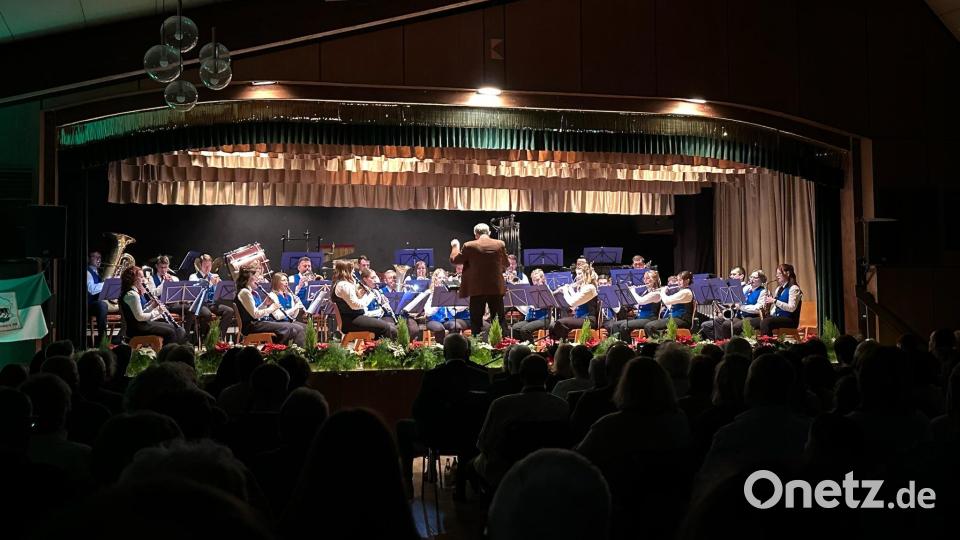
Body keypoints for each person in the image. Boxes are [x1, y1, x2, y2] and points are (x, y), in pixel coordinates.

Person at [473, 355, 569, 487]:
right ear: (547, 376)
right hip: (549, 469)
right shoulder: (561, 406)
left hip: (507, 473)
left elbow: (484, 444)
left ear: (521, 376)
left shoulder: (502, 405)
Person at [450, 223, 510, 336]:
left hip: (477, 289)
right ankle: (503, 347)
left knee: (476, 321)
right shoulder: (499, 244)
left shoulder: (469, 245)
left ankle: (477, 347)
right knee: (499, 320)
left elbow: (455, 260)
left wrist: (455, 246)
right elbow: (506, 264)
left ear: (476, 234)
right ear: (489, 233)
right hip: (495, 288)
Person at [234, 268, 305, 346]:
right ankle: (281, 350)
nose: (257, 279)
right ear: (248, 278)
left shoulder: (253, 292)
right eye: (255, 276)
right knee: (289, 327)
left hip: (258, 322)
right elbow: (255, 314)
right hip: (252, 325)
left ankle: (292, 351)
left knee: (294, 327)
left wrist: (264, 304)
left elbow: (256, 310)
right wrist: (271, 309)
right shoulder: (244, 292)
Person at [119, 266, 187, 345]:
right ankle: (167, 354)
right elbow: (140, 317)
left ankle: (176, 350)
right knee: (170, 332)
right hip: (137, 328)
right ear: (133, 279)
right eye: (141, 277)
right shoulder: (132, 295)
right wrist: (157, 312)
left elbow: (140, 313)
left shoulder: (134, 292)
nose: (144, 279)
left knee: (172, 327)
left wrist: (152, 306)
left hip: (142, 324)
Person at [331, 260, 395, 339]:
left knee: (388, 326)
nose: (353, 273)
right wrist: (369, 296)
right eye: (352, 270)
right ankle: (384, 350)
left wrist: (360, 294)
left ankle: (376, 348)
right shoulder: (343, 285)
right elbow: (355, 306)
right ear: (346, 271)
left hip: (353, 318)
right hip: (351, 321)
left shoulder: (341, 283)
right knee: (385, 327)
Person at [701, 269, 768, 340]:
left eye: (755, 278)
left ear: (761, 279)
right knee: (726, 324)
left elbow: (758, 308)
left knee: (736, 327)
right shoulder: (746, 288)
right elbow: (736, 300)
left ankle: (736, 345)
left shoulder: (763, 291)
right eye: (751, 277)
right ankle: (724, 344)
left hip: (753, 317)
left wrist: (741, 307)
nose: (752, 279)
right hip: (740, 316)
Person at [359, 268, 419, 339]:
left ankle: (408, 346)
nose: (394, 280)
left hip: (401, 315)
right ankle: (396, 346)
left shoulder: (402, 290)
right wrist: (382, 308)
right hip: (385, 316)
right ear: (385, 280)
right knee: (393, 329)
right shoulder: (379, 291)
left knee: (413, 329)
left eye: (395, 278)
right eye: (391, 278)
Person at [187, 254, 235, 337]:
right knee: (207, 314)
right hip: (200, 304)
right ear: (200, 265)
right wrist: (210, 283)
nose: (207, 268)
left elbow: (221, 294)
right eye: (205, 266)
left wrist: (219, 285)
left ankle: (218, 337)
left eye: (209, 266)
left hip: (211, 304)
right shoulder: (193, 277)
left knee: (229, 311)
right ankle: (202, 336)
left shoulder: (213, 276)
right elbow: (197, 293)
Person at [608, 270, 662, 341]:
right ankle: (617, 345)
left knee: (624, 326)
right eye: (644, 278)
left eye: (648, 278)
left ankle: (628, 346)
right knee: (616, 325)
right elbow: (638, 305)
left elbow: (641, 301)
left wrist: (632, 291)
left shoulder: (657, 293)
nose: (645, 280)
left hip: (649, 319)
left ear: (654, 279)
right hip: (640, 318)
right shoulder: (646, 292)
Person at [549, 265, 599, 340]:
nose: (577, 277)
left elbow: (572, 303)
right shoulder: (583, 287)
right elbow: (574, 305)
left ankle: (562, 345)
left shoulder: (590, 288)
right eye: (577, 274)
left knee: (560, 323)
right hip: (580, 318)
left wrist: (565, 290)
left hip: (589, 320)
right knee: (553, 325)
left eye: (580, 274)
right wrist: (567, 289)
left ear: (586, 274)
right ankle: (557, 345)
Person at [643, 271, 694, 338]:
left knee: (649, 326)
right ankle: (660, 342)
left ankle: (658, 344)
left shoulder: (686, 292)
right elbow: (671, 305)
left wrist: (662, 292)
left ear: (687, 281)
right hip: (675, 318)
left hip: (683, 320)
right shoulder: (681, 291)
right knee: (649, 326)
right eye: (678, 280)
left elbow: (667, 301)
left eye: (680, 280)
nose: (678, 282)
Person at [758, 263, 802, 336]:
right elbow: (776, 306)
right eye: (776, 273)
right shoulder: (778, 289)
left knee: (766, 322)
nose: (777, 276)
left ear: (787, 273)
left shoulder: (794, 288)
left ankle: (767, 344)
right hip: (778, 317)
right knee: (755, 321)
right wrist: (768, 311)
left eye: (779, 273)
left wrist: (775, 301)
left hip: (790, 320)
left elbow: (791, 308)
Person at [423, 269, 468, 341]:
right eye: (440, 278)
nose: (442, 280)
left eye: (444, 278)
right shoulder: (429, 293)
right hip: (433, 320)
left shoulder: (449, 293)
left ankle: (451, 347)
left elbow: (453, 312)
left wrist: (460, 305)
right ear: (435, 279)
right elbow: (428, 313)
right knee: (439, 328)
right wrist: (437, 302)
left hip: (447, 320)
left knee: (456, 326)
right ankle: (440, 349)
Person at [511, 269, 550, 342]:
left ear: (543, 279)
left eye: (537, 280)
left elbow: (547, 305)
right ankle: (522, 347)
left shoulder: (546, 289)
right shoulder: (531, 290)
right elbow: (526, 309)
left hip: (543, 319)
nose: (535, 282)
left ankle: (531, 347)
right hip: (531, 319)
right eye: (533, 280)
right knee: (515, 328)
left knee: (525, 330)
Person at [86, 250, 109, 342]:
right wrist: (106, 283)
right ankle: (102, 340)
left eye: (100, 257)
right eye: (96, 257)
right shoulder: (87, 272)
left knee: (104, 304)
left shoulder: (97, 273)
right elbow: (91, 289)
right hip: (87, 303)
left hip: (95, 302)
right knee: (102, 305)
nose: (99, 260)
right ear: (89, 259)